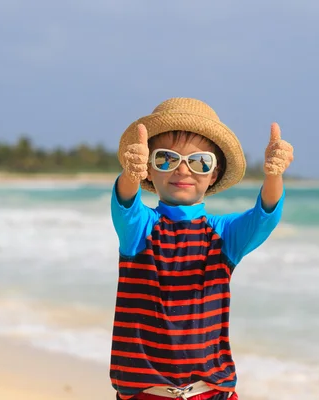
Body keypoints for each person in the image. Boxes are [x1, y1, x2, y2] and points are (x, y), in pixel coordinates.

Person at [110, 98, 294, 400]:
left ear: (214, 173)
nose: (182, 171)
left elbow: (265, 214)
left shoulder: (223, 235)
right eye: (165, 159)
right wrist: (129, 173)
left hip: (212, 392)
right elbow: (125, 202)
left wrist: (274, 175)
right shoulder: (139, 229)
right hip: (145, 393)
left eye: (199, 162)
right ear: (148, 170)